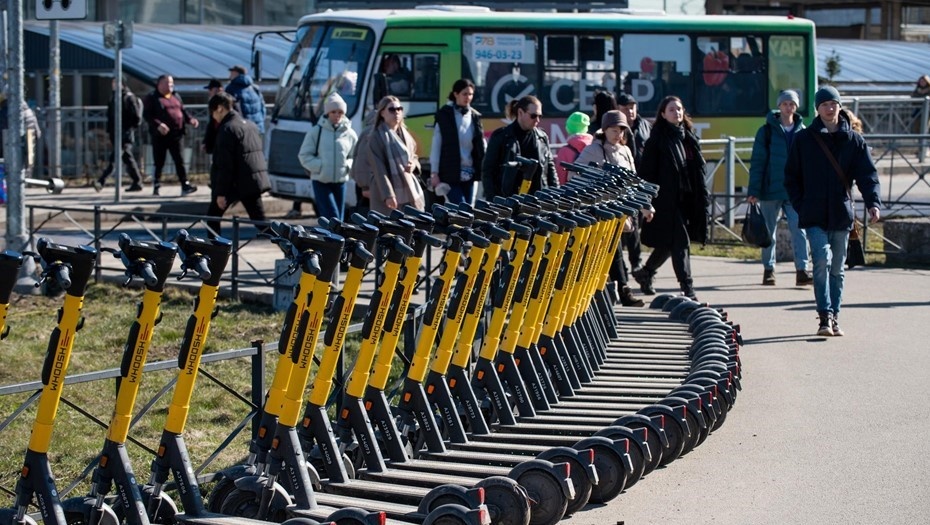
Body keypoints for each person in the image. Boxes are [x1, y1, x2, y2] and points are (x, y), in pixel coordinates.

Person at [784, 86, 881, 337]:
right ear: (817, 108)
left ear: (840, 106)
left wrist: (873, 203)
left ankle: (835, 315)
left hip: (840, 212)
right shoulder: (804, 140)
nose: (829, 108)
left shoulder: (854, 141)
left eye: (833, 103)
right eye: (824, 104)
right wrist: (801, 204)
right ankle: (824, 316)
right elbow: (791, 177)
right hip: (814, 213)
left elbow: (867, 175)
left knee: (837, 268)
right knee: (820, 261)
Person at [632, 96, 709, 300]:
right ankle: (688, 289)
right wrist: (646, 202)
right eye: (672, 110)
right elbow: (646, 174)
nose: (677, 113)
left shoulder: (688, 138)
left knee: (669, 243)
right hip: (665, 201)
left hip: (686, 200)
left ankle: (645, 272)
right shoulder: (657, 140)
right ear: (663, 114)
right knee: (681, 243)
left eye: (680, 109)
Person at [575, 110, 652, 307]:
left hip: (621, 211)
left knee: (613, 251)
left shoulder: (625, 151)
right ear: (604, 130)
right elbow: (575, 175)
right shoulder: (593, 150)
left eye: (621, 130)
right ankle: (618, 290)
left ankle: (613, 291)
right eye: (614, 130)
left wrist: (645, 205)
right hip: (600, 211)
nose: (618, 134)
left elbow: (634, 181)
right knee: (611, 252)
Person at [747, 89, 811, 287]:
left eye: (792, 103)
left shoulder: (803, 131)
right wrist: (753, 190)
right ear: (779, 106)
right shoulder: (766, 131)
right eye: (785, 103)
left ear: (796, 106)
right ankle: (769, 270)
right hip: (770, 189)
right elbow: (758, 162)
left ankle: (802, 270)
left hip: (794, 191)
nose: (788, 107)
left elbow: (808, 163)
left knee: (800, 229)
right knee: (768, 232)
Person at [204, 92, 270, 238]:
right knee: (261, 221)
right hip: (251, 181)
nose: (213, 116)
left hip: (235, 183)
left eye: (213, 112)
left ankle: (215, 255)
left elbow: (225, 164)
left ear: (220, 109)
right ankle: (289, 246)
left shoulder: (227, 129)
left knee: (212, 219)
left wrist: (221, 192)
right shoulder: (250, 125)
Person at [354, 96, 424, 215]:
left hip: (409, 189)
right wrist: (388, 195)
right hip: (384, 192)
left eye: (399, 108)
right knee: (387, 230)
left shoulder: (405, 132)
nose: (396, 112)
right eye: (392, 109)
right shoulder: (375, 137)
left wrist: (413, 165)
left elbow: (414, 156)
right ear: (382, 113)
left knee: (410, 229)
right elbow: (379, 169)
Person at [482, 95, 558, 200]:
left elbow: (550, 167)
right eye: (533, 116)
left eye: (540, 116)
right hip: (508, 199)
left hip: (537, 198)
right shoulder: (501, 136)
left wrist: (556, 194)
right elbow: (488, 171)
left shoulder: (542, 137)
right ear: (520, 112)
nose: (537, 120)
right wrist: (492, 199)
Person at [295, 92, 357, 221]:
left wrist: (347, 166)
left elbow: (355, 155)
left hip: (340, 182)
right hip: (320, 181)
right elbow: (304, 155)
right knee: (332, 215)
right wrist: (319, 166)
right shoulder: (316, 131)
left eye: (340, 112)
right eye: (333, 112)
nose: (337, 115)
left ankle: (334, 240)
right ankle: (333, 240)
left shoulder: (350, 133)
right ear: (327, 113)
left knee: (338, 218)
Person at [429, 78, 485, 205]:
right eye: (464, 94)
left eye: (470, 94)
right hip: (449, 172)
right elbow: (436, 144)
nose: (468, 98)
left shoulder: (474, 116)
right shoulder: (445, 115)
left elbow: (479, 144)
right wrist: (434, 172)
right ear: (456, 94)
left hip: (469, 173)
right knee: (460, 207)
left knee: (468, 210)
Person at [143, 74, 199, 196]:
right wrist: (158, 124)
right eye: (167, 83)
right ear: (160, 84)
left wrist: (190, 120)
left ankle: (185, 185)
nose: (170, 85)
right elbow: (147, 115)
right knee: (159, 161)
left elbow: (182, 111)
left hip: (176, 134)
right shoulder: (152, 97)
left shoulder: (176, 96)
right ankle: (156, 185)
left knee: (179, 160)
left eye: (171, 83)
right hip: (160, 135)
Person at [617, 92, 652, 272]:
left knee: (635, 225)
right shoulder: (614, 128)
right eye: (625, 108)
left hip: (641, 182)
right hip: (621, 185)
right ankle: (626, 265)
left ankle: (637, 264)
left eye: (632, 107)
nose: (630, 111)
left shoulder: (644, 125)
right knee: (627, 225)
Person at [95, 78, 144, 193]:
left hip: (125, 134)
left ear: (122, 84)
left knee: (115, 158)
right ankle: (137, 181)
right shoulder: (113, 97)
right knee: (127, 158)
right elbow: (110, 116)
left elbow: (136, 117)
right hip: (115, 133)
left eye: (116, 83)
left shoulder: (128, 97)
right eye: (113, 83)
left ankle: (101, 181)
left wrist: (128, 128)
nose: (114, 85)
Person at [225, 65, 266, 134]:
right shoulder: (255, 88)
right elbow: (263, 108)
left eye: (231, 74)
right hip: (257, 128)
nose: (229, 77)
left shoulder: (231, 88)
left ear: (236, 73)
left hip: (242, 128)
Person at [554, 111, 592, 185]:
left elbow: (560, 175)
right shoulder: (595, 147)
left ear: (568, 128)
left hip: (572, 192)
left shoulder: (564, 151)